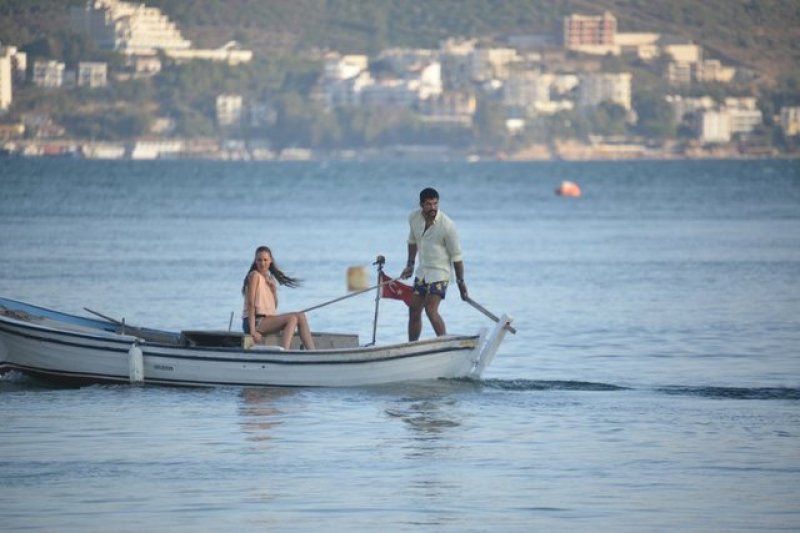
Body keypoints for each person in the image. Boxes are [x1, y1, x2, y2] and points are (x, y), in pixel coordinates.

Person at [400, 187, 468, 341]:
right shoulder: (413, 218)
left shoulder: (447, 225)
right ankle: (411, 347)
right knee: (414, 310)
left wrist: (461, 283)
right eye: (429, 204)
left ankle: (444, 345)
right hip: (422, 272)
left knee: (431, 310)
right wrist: (410, 264)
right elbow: (412, 241)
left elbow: (457, 257)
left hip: (440, 273)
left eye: (435, 204)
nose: (433, 208)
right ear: (421, 205)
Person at [242, 246, 316, 350]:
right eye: (259, 260)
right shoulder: (254, 276)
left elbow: (274, 306)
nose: (262, 263)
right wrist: (253, 331)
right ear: (255, 261)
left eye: (265, 260)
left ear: (270, 260)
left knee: (300, 315)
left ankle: (312, 351)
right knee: (292, 318)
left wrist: (273, 290)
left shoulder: (269, 279)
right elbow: (250, 304)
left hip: (266, 320)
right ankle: (284, 352)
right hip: (254, 321)